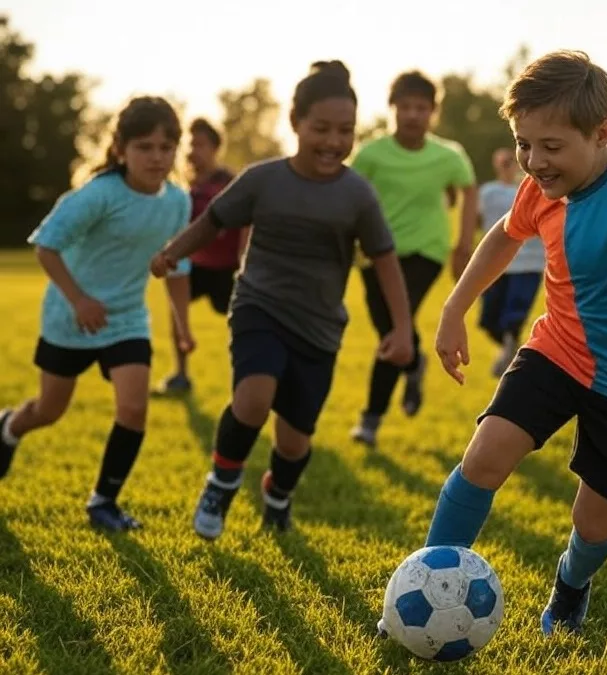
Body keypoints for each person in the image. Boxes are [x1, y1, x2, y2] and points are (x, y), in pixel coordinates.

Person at [376, 50, 607, 639]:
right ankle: (422, 588)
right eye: (524, 144)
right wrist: (453, 308)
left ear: (602, 133)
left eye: (551, 146)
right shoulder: (538, 188)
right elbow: (502, 236)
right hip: (557, 351)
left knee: (594, 525)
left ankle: (571, 588)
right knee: (484, 456)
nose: (534, 161)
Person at [150, 61, 414, 540]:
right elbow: (213, 221)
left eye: (346, 131)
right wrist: (173, 252)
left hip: (319, 328)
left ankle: (278, 494)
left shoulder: (358, 194)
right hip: (259, 306)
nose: (334, 141)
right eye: (321, 129)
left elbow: (385, 258)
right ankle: (222, 481)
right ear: (295, 123)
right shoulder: (263, 179)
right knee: (252, 399)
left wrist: (401, 327)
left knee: (294, 441)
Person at [0, 97, 194, 531]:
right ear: (121, 148)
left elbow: (177, 265)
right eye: (145, 147)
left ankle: (103, 502)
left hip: (126, 319)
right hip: (69, 318)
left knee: (133, 408)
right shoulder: (97, 195)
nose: (157, 157)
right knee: (49, 410)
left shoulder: (178, 202)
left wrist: (182, 326)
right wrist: (79, 300)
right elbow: (46, 246)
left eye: (167, 147)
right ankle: (9, 427)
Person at [349, 71, 478, 448]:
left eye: (421, 108)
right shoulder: (371, 154)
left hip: (427, 251)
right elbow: (348, 194)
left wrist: (463, 244)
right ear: (392, 109)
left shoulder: (448, 155)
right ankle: (414, 363)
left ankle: (370, 420)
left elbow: (468, 188)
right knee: (390, 328)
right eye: (404, 107)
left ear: (432, 112)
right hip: (374, 254)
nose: (412, 115)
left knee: (393, 331)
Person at [157, 118, 245, 395]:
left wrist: (244, 261)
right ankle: (181, 375)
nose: (192, 151)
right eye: (189, 144)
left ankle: (247, 377)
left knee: (244, 320)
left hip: (228, 269)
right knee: (176, 309)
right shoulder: (184, 187)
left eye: (199, 144)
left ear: (215, 148)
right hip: (195, 267)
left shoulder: (230, 183)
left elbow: (246, 223)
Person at [477, 147, 545, 376]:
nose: (508, 166)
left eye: (511, 162)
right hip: (496, 263)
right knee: (487, 318)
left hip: (529, 263)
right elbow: (476, 220)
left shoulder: (535, 190)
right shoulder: (487, 192)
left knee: (514, 315)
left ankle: (511, 350)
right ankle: (510, 349)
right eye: (503, 162)